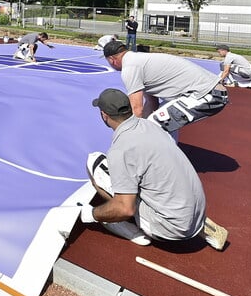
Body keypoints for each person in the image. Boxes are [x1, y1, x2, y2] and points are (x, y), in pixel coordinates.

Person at [77, 88, 228, 250]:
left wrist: (91, 214)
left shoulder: (121, 150)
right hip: (197, 211)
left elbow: (125, 208)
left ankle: (127, 228)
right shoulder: (151, 125)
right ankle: (190, 220)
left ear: (104, 115)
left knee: (95, 162)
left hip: (169, 231)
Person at [102, 41, 229, 133]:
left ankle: (148, 158)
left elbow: (137, 109)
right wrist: (142, 123)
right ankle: (167, 154)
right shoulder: (138, 60)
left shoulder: (130, 67)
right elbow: (152, 103)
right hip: (208, 93)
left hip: (207, 95)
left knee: (153, 125)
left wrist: (127, 135)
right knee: (159, 121)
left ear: (112, 59)